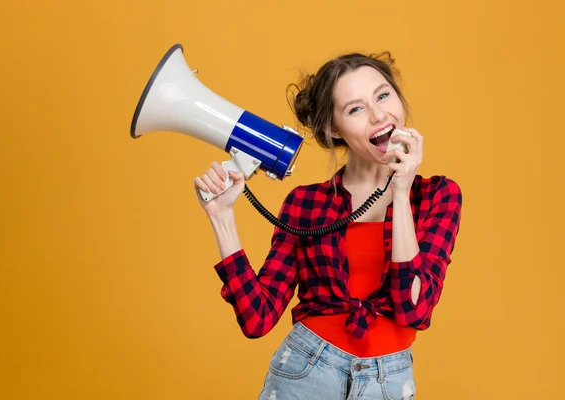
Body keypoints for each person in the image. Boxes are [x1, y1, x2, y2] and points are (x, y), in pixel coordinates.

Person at [193, 51, 462, 400]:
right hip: (305, 372)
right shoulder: (305, 204)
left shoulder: (436, 196)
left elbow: (413, 309)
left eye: (383, 95)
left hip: (388, 382)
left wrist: (401, 188)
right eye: (355, 109)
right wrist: (221, 216)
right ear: (334, 128)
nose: (379, 115)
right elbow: (257, 319)